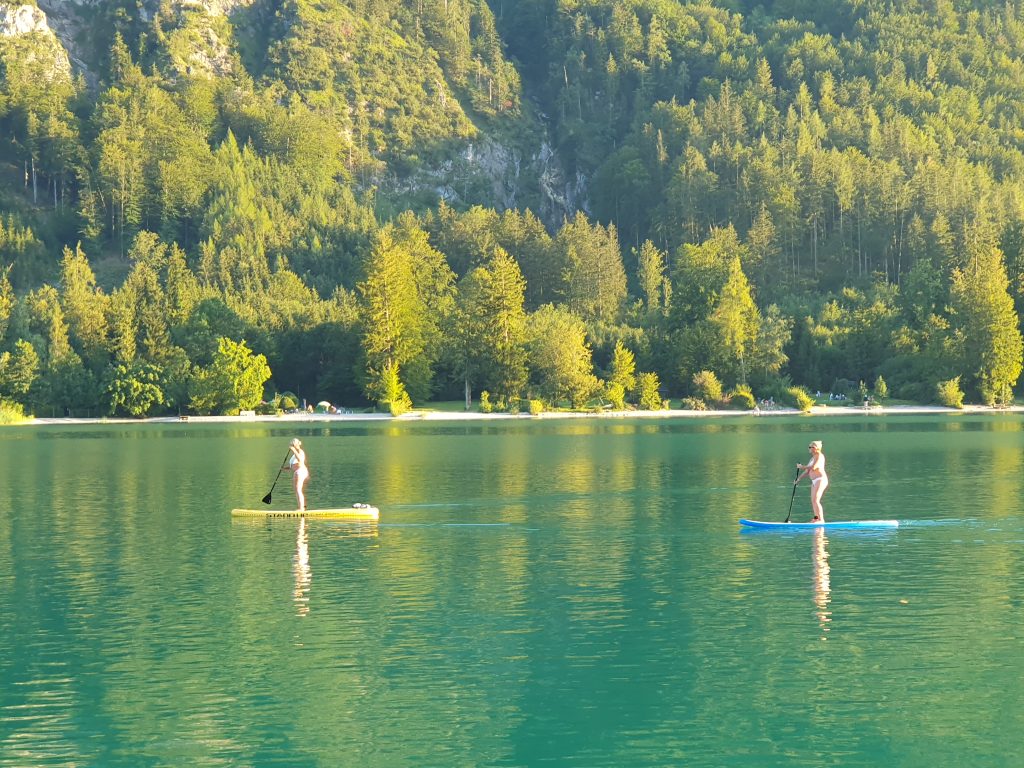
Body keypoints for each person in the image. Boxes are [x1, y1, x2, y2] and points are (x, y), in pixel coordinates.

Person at [795, 440, 828, 522]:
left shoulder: (819, 456)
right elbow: (807, 471)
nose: (809, 448)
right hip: (814, 481)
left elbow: (814, 467)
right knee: (813, 500)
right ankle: (816, 518)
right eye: (809, 447)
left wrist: (801, 466)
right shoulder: (812, 458)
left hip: (820, 479)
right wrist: (798, 479)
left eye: (811, 447)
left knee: (816, 500)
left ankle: (821, 520)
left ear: (817, 448)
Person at [285, 438, 309, 512]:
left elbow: (300, 461)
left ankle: (301, 508)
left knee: (298, 489)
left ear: (298, 444)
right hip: (297, 471)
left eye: (294, 443)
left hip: (301, 471)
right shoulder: (294, 455)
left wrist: (294, 450)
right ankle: (302, 506)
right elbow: (293, 465)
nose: (292, 444)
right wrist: (285, 468)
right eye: (292, 443)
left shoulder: (300, 451)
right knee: (297, 490)